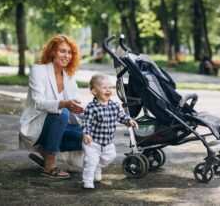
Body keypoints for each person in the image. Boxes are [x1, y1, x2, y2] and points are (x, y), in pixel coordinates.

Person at [19, 34, 84, 179]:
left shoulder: (68, 76)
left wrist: (94, 114)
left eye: (69, 52)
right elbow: (38, 102)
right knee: (62, 113)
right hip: (37, 124)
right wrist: (63, 104)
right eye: (62, 51)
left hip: (57, 126)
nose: (67, 55)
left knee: (85, 134)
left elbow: (78, 104)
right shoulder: (39, 70)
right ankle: (49, 165)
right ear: (53, 51)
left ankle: (45, 150)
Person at [82, 74, 138, 189]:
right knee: (90, 161)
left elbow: (120, 115)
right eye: (104, 88)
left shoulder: (114, 105)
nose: (108, 90)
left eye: (110, 87)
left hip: (108, 141)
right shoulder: (91, 107)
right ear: (94, 91)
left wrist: (129, 120)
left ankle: (98, 167)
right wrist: (86, 134)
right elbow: (86, 122)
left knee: (109, 157)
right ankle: (87, 181)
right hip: (93, 141)